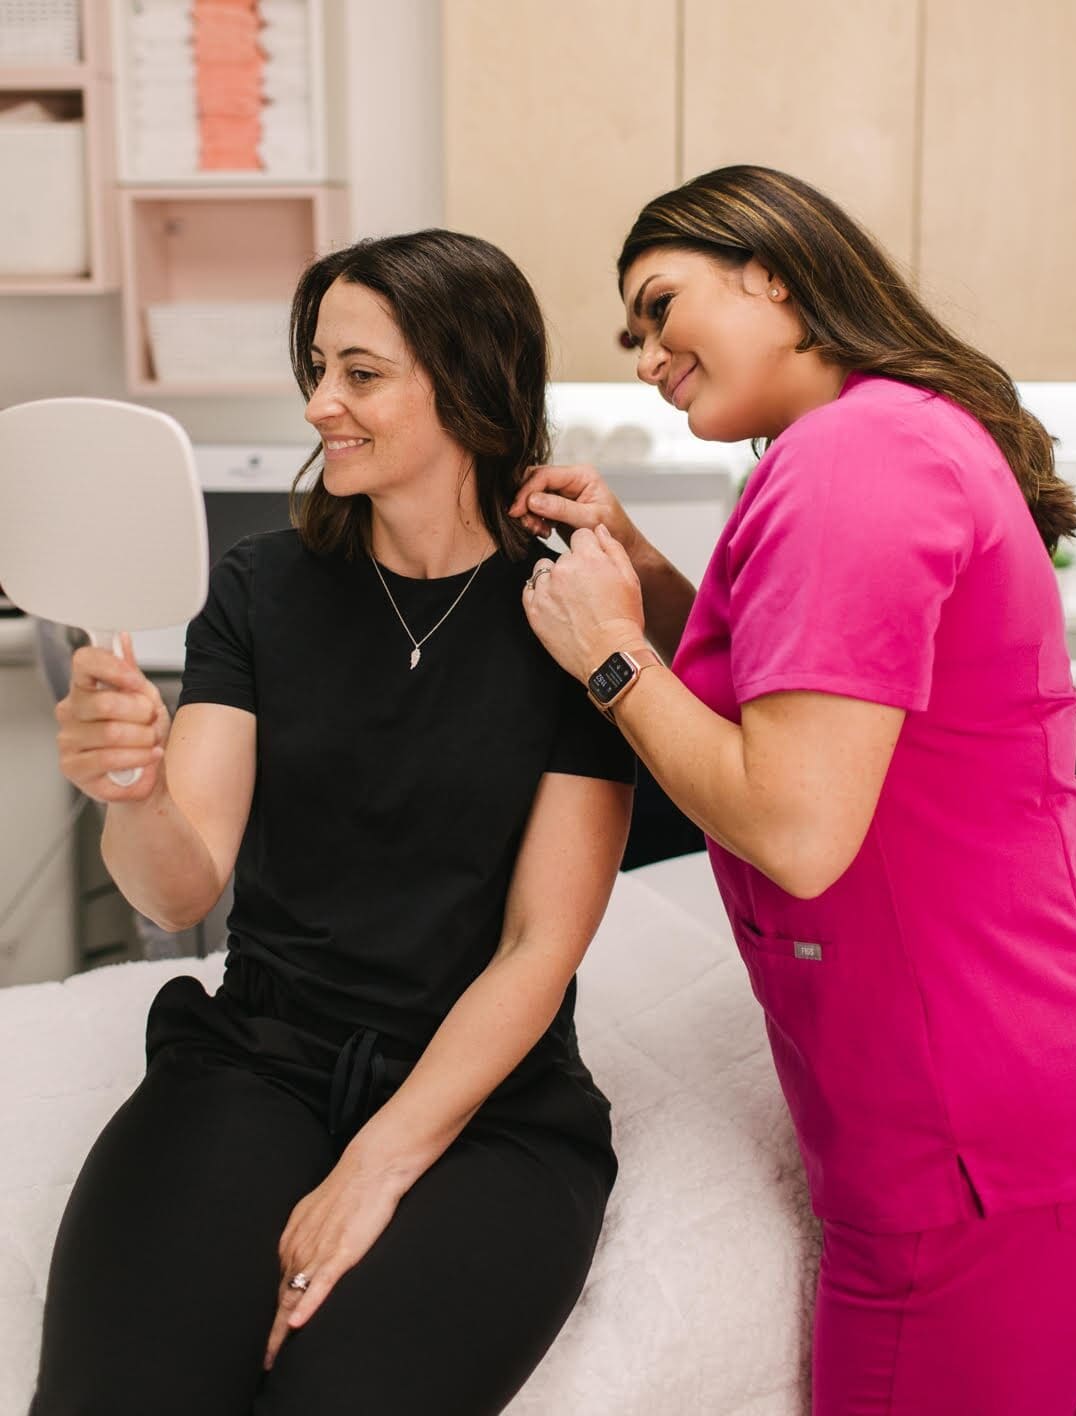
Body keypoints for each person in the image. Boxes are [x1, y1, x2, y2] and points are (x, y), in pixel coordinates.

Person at [510, 165, 1076, 1415]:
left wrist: (608, 656)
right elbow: (808, 685)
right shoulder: (905, 431)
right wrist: (649, 575)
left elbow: (795, 823)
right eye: (632, 335)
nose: (646, 355)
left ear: (771, 269)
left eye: (662, 307)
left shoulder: (849, 466)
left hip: (980, 1147)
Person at [33, 229, 634, 1416]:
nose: (321, 405)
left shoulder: (574, 611)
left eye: (360, 373)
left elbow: (540, 946)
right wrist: (134, 792)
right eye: (318, 368)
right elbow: (176, 892)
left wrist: (375, 1167)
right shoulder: (261, 587)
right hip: (260, 1058)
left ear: (468, 379)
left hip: (491, 1105)